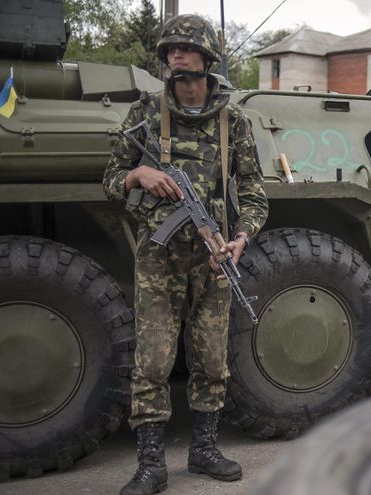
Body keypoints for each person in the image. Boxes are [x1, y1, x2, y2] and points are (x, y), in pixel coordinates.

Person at [102, 14, 268, 495]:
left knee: (212, 360)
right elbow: (110, 178)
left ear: (206, 58)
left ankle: (204, 450)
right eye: (169, 48)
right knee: (152, 362)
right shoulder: (146, 113)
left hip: (215, 259)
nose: (175, 54)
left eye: (184, 47)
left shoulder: (231, 120)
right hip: (159, 262)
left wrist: (241, 239)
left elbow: (255, 195)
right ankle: (151, 462)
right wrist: (138, 177)